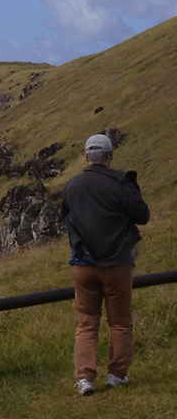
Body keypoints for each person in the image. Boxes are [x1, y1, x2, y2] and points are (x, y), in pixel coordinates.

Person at [63, 132, 151, 395]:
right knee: (121, 322)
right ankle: (116, 375)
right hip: (117, 263)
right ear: (111, 156)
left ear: (86, 157)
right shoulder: (121, 183)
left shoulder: (72, 185)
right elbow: (142, 215)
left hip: (83, 264)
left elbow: (65, 216)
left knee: (87, 322)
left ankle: (84, 379)